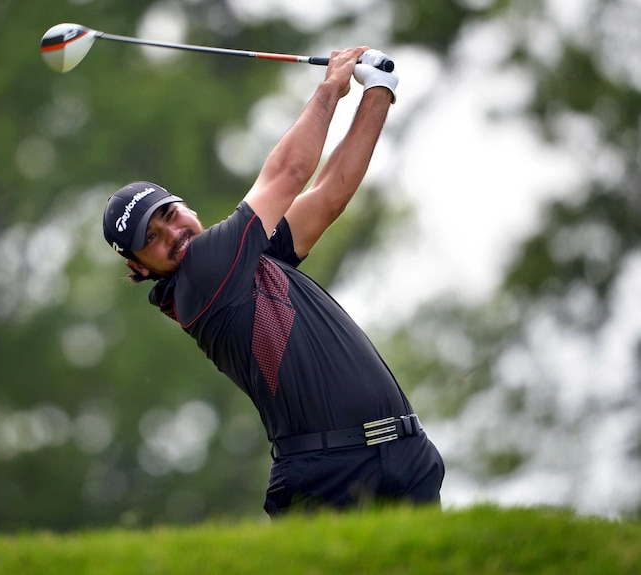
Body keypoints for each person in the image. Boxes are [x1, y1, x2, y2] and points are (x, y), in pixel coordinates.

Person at [102, 47, 444, 516]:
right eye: (152, 239)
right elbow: (289, 173)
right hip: (331, 475)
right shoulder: (202, 275)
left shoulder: (245, 259)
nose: (172, 234)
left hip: (402, 455)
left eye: (169, 215)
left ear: (188, 208)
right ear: (141, 269)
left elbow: (328, 194)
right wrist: (331, 90)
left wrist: (380, 90)